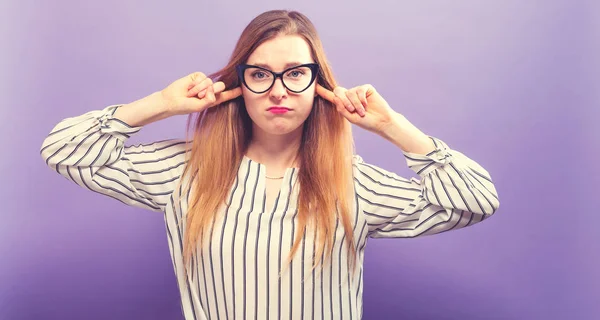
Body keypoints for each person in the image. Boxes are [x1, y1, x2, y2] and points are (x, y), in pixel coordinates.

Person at [40, 9, 499, 320]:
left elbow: (476, 202)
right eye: (260, 74)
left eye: (296, 73)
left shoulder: (353, 183)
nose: (278, 91)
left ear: (318, 84)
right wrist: (160, 104)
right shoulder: (184, 171)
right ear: (238, 82)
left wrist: (394, 127)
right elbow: (63, 150)